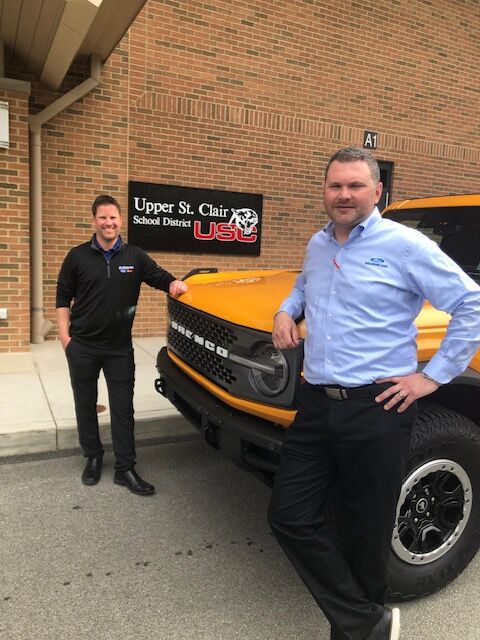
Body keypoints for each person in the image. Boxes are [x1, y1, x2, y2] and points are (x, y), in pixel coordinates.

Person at [268, 147, 480, 640]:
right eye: (335, 185)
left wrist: (431, 377)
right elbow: (303, 287)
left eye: (355, 185)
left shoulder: (404, 245)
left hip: (377, 407)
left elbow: (471, 303)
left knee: (365, 532)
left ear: (377, 191)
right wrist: (285, 311)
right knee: (288, 516)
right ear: (324, 190)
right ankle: (368, 621)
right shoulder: (318, 244)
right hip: (316, 403)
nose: (344, 195)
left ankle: (356, 632)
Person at [56, 194, 188, 496]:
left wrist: (174, 284)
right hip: (83, 346)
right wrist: (65, 337)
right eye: (102, 217)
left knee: (123, 409)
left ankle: (125, 467)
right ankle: (93, 456)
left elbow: (159, 276)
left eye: (113, 217)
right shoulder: (77, 257)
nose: (108, 222)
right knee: (85, 404)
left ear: (120, 220)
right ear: (94, 221)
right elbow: (63, 296)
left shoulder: (134, 257)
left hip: (119, 349)